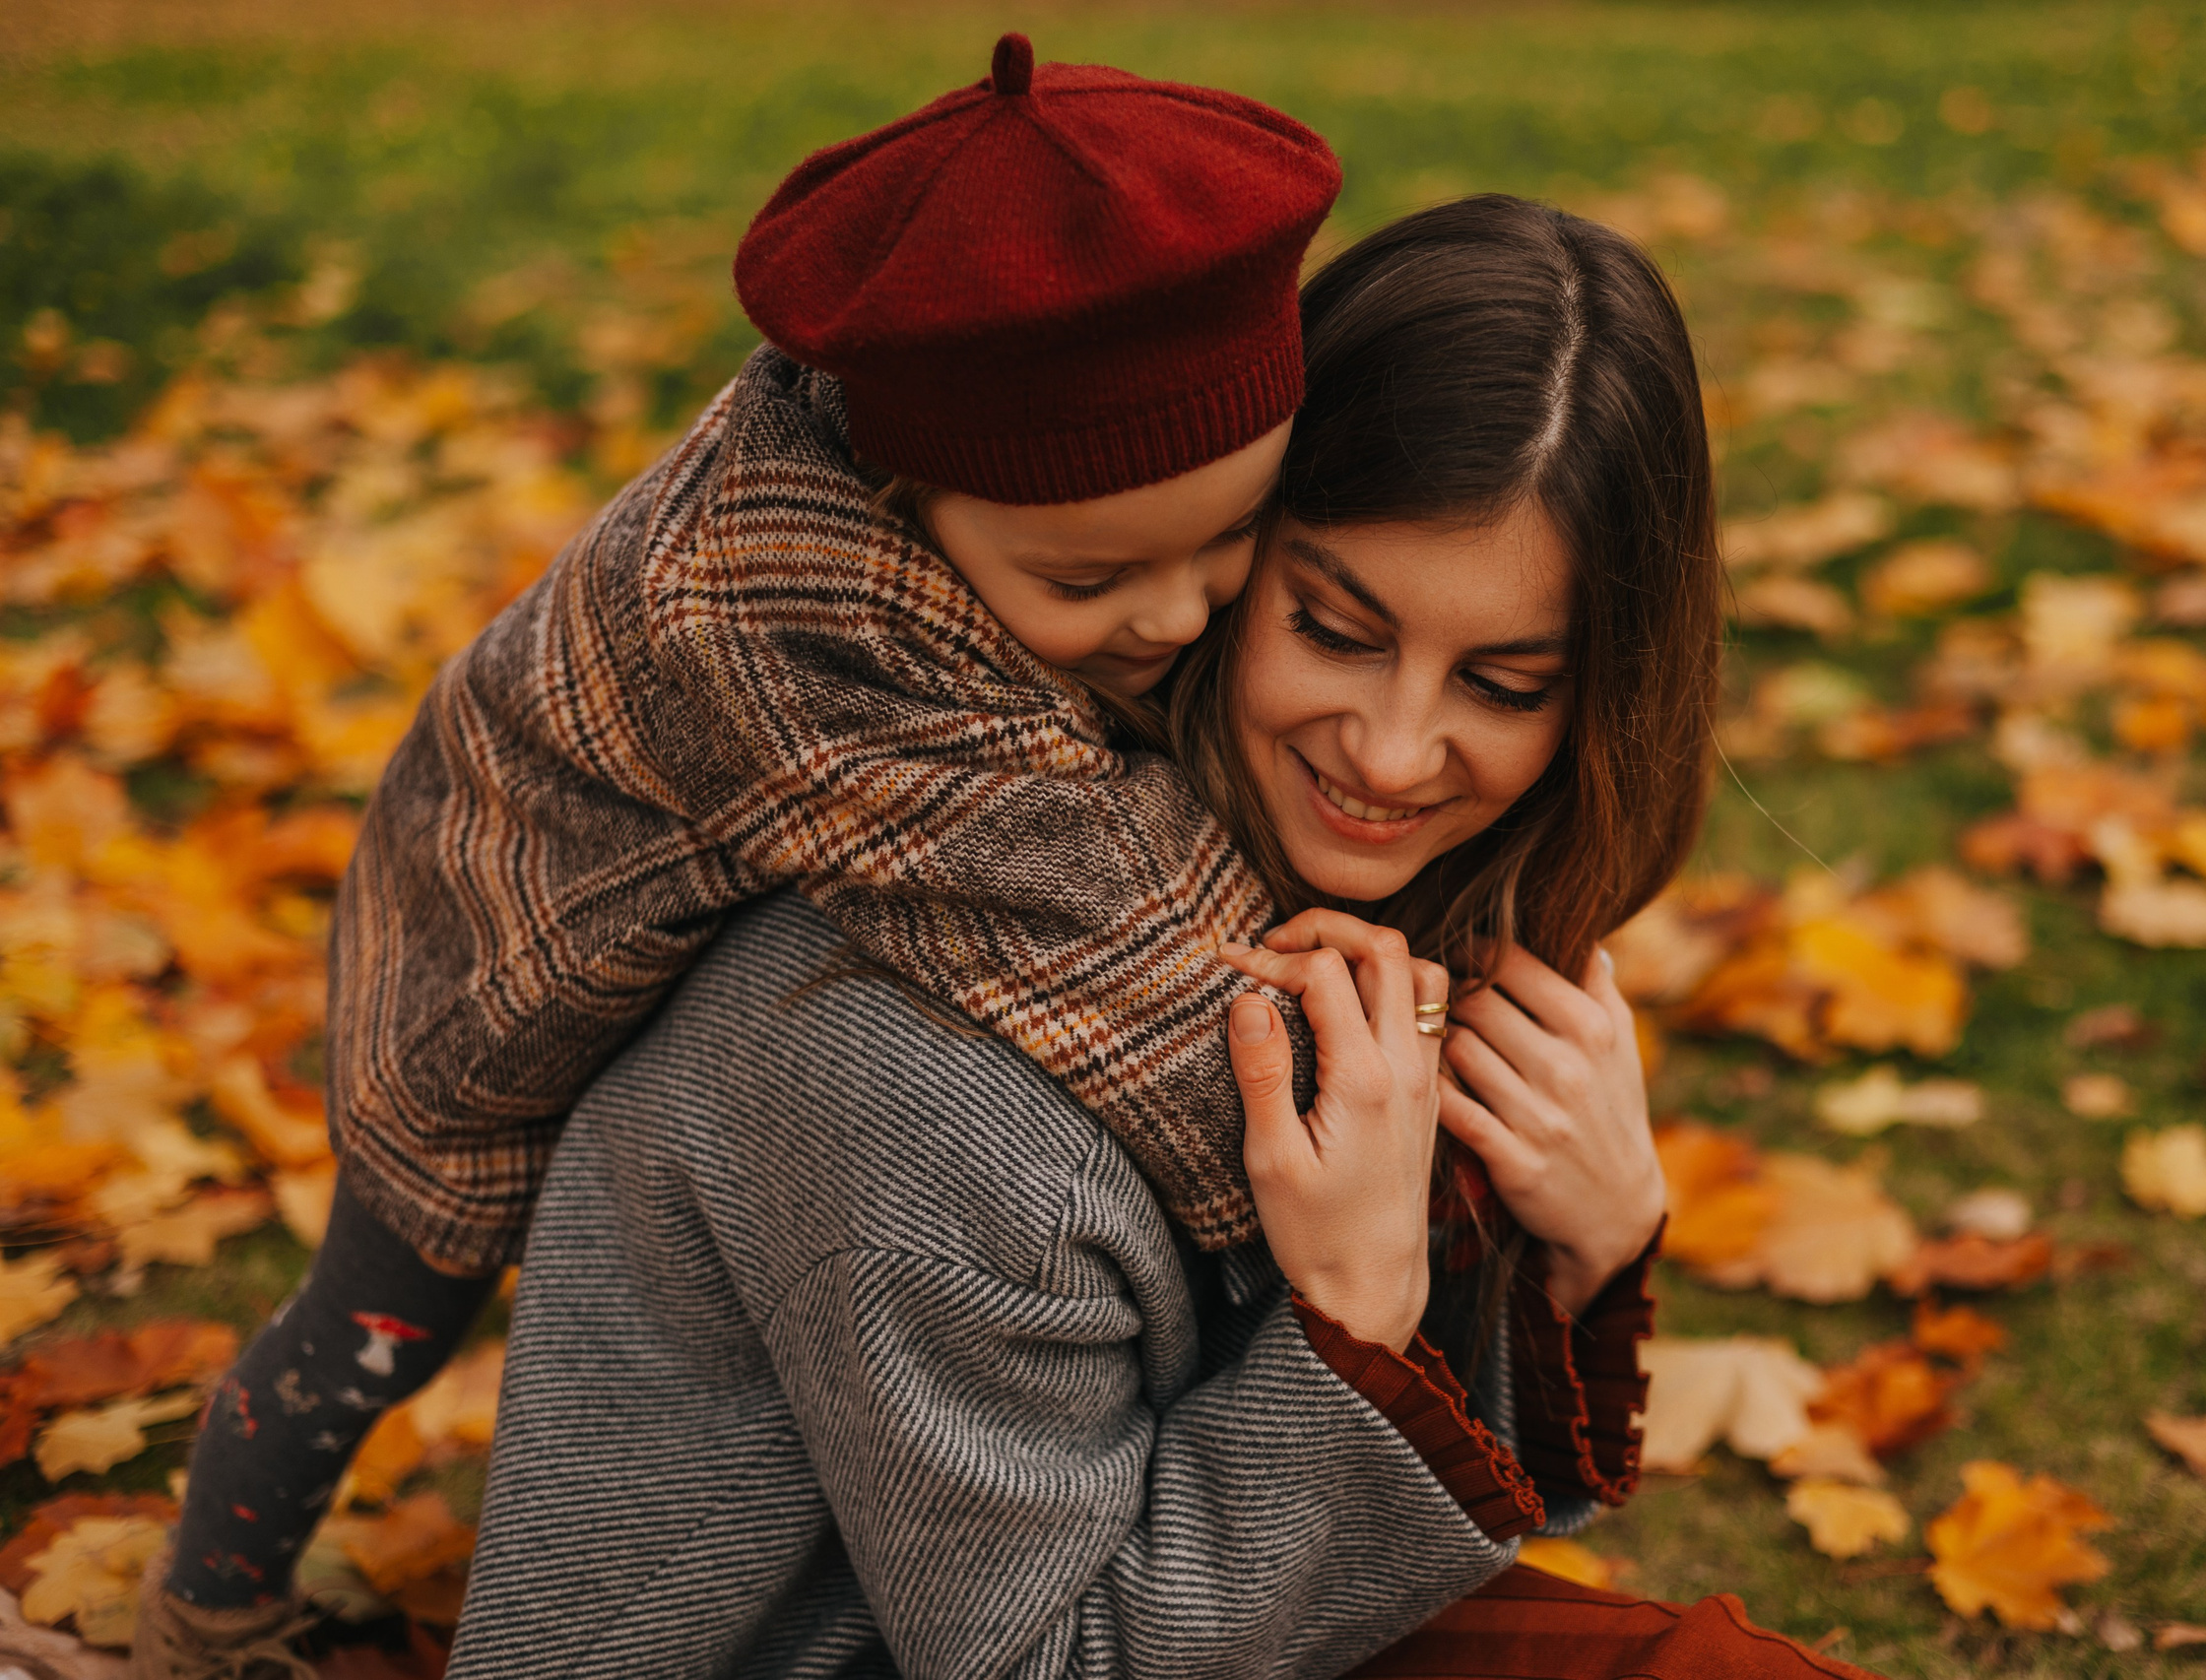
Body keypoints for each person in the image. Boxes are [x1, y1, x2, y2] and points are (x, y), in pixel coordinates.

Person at [445, 196, 1877, 1680]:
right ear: (1222, 547)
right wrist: (1352, 1326)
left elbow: (1396, 1547)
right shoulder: (931, 1059)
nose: (1393, 754)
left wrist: (1589, 1242)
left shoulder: (1362, 921)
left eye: (1504, 684)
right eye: (1335, 628)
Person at [137, 33, 1349, 1678]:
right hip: (487, 959)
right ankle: (206, 1601)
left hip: (656, 899)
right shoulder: (789, 628)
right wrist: (1332, 1181)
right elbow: (1092, 930)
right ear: (909, 499)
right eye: (1095, 580)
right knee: (375, 1316)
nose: (1178, 612)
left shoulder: (947, 492)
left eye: (1234, 539)